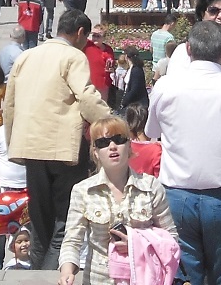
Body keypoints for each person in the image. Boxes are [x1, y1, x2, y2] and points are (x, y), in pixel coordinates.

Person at [146, 20, 221, 285]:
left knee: (182, 275)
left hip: (177, 197)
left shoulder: (165, 87)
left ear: (188, 49)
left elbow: (151, 131)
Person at [2, 10, 111, 269]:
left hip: (29, 148)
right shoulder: (74, 56)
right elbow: (85, 96)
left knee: (40, 225)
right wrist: (109, 123)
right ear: (80, 33)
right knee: (65, 224)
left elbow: (9, 106)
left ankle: (37, 274)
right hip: (63, 149)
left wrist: (12, 144)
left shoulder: (26, 56)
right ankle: (51, 276)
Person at [57, 116, 178, 285]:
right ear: (95, 152)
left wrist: (137, 243)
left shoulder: (151, 186)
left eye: (118, 139)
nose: (112, 146)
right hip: (98, 279)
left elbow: (171, 240)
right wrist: (67, 271)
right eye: (103, 143)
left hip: (144, 278)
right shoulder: (82, 190)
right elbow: (72, 240)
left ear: (129, 146)